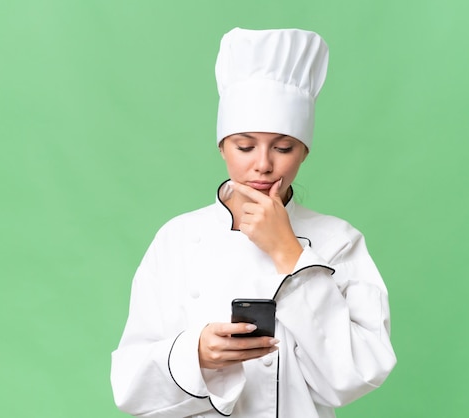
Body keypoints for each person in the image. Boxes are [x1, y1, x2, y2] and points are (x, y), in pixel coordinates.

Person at [110, 27, 396, 418]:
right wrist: (195, 355)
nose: (263, 164)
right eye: (245, 146)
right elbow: (129, 387)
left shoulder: (338, 241)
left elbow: (358, 373)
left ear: (304, 152)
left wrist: (289, 253)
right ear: (222, 147)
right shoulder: (178, 238)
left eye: (283, 147)